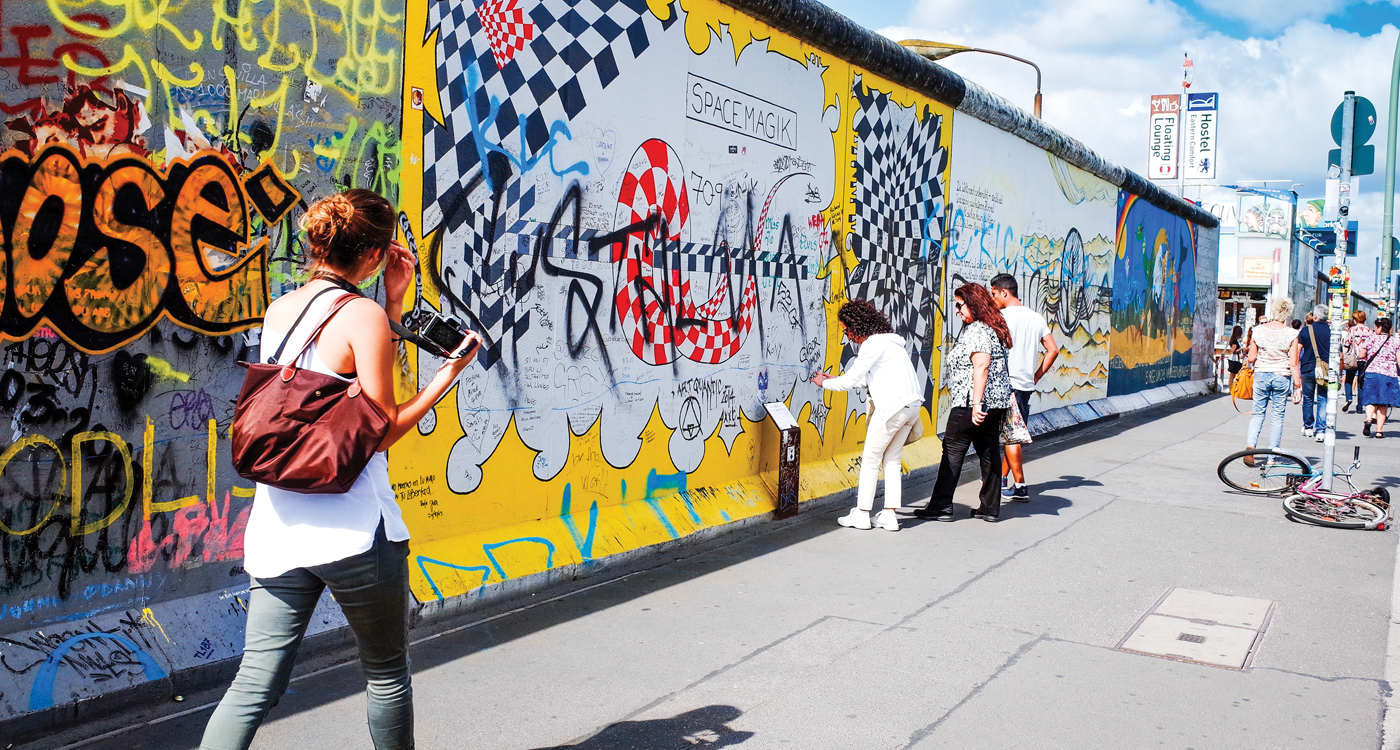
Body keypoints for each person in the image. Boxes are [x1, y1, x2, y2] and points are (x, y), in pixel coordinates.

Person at [201, 190, 483, 750]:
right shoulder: (365, 316)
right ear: (377, 256)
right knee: (386, 675)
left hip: (279, 526)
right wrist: (445, 377)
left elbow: (327, 402)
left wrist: (395, 311)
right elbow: (379, 432)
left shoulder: (281, 309)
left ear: (318, 243)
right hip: (355, 529)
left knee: (254, 682)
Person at [812, 300, 922, 531]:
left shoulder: (872, 344)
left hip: (891, 408)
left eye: (846, 330)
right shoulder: (891, 343)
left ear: (856, 325)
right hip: (910, 406)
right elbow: (865, 379)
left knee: (871, 459)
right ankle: (889, 515)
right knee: (891, 459)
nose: (847, 336)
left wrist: (823, 383)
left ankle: (862, 513)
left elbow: (851, 380)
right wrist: (834, 380)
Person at [916, 284, 1013, 523]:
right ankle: (990, 507)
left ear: (974, 304)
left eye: (960, 305)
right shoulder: (992, 327)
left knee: (952, 450)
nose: (957, 310)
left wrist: (977, 403)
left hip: (971, 402)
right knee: (988, 451)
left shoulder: (978, 330)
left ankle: (941, 506)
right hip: (995, 403)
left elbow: (981, 366)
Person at [987, 273, 1057, 503]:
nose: (993, 298)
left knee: (1012, 436)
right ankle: (1003, 480)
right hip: (1025, 385)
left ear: (1005, 292)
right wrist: (1036, 376)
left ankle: (1020, 486)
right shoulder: (1036, 318)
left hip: (1007, 385)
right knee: (1012, 434)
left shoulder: (1000, 317)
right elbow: (1053, 350)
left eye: (994, 293)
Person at [1244, 297, 1301, 457]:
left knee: (1257, 413)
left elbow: (1251, 358)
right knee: (1277, 416)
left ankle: (1250, 444)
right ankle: (1271, 456)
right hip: (1282, 376)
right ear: (1288, 313)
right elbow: (1294, 363)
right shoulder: (1291, 334)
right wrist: (1298, 386)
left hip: (1261, 374)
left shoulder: (1258, 330)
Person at [1358, 318, 1400, 439]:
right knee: (1383, 403)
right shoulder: (1395, 341)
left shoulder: (1371, 339)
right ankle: (1379, 431)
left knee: (1371, 399)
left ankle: (1368, 419)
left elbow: (1361, 355)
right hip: (1389, 374)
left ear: (1380, 328)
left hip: (1372, 372)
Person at [1296, 304, 1330, 441]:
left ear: (1315, 316)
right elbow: (1338, 354)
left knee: (1308, 399)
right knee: (1323, 399)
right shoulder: (1332, 331)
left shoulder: (1305, 331)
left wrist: (1295, 370)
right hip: (1325, 370)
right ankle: (1321, 430)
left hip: (1308, 368)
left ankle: (1308, 427)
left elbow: (1298, 352)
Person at [1342, 310, 1369, 412]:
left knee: (1349, 379)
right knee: (1361, 383)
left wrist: (1344, 356)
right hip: (1365, 359)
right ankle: (1359, 406)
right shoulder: (1369, 331)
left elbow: (1346, 344)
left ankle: (1349, 398)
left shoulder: (1352, 330)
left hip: (1352, 359)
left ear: (1356, 319)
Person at [1226, 325, 1245, 390]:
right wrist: (1241, 349)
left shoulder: (1234, 340)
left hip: (1234, 359)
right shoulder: (1235, 341)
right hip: (1234, 360)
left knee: (1233, 376)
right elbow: (1233, 351)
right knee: (1232, 376)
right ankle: (1231, 389)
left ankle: (1232, 388)